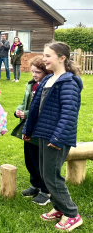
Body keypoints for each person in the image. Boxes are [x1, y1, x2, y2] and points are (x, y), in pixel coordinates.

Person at [22, 42, 83, 231]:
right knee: (45, 174)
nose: (45, 59)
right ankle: (58, 208)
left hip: (57, 138)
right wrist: (28, 129)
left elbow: (69, 113)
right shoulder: (48, 80)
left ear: (62, 58)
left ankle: (72, 214)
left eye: (48, 56)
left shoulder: (69, 82)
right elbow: (34, 108)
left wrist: (57, 139)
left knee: (52, 177)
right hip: (42, 134)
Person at [12, 55, 52, 206]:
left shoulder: (49, 87)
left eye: (38, 72)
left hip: (41, 129)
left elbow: (44, 109)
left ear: (47, 72)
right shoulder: (31, 85)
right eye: (32, 71)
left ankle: (45, 191)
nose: (34, 75)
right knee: (29, 159)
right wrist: (19, 110)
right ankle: (35, 185)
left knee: (40, 161)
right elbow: (24, 103)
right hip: (28, 127)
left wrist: (26, 114)